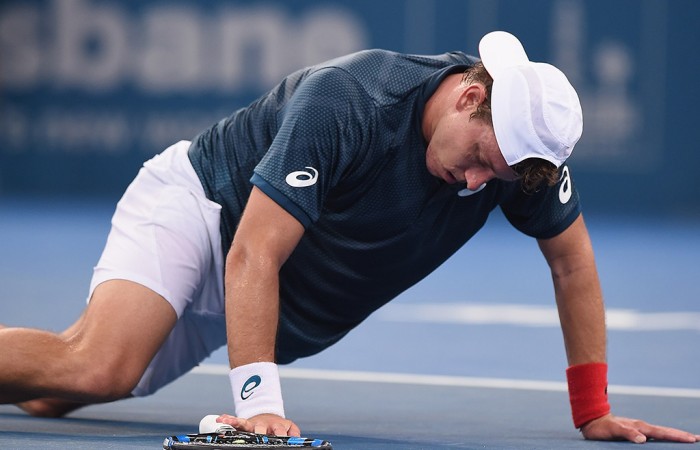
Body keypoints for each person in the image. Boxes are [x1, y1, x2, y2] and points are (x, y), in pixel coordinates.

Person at [0, 31, 697, 444]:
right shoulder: (351, 99)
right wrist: (259, 407)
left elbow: (573, 265)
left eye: (500, 176)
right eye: (483, 158)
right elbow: (253, 251)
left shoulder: (514, 165)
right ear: (467, 97)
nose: (480, 182)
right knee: (99, 365)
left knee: (52, 394)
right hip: (208, 214)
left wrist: (593, 410)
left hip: (260, 300)